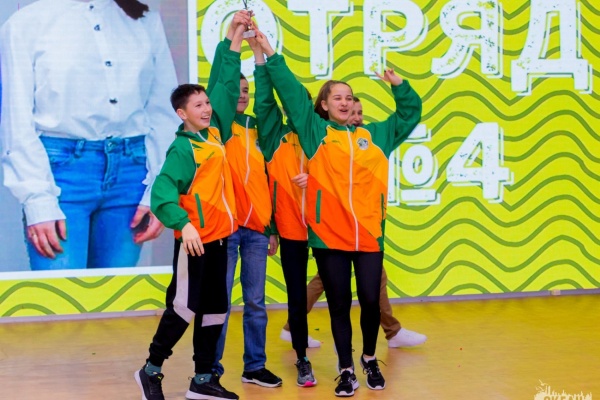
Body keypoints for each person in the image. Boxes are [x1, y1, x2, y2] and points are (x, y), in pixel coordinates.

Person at [256, 31, 422, 396]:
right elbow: (291, 94)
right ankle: (346, 369)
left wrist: (400, 86)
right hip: (329, 236)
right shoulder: (315, 133)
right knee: (339, 306)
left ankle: (369, 359)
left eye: (349, 97)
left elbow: (409, 115)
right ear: (325, 106)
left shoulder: (376, 136)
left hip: (368, 236)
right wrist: (267, 51)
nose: (345, 103)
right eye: (337, 98)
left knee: (370, 301)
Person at [0, 0, 180, 270]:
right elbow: (16, 119)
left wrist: (161, 187)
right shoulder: (26, 23)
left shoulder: (145, 20)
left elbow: (164, 111)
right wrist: (37, 199)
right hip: (59, 176)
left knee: (116, 293)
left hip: (132, 176)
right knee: (61, 294)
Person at [134, 11, 250, 400]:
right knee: (183, 307)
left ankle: (203, 380)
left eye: (206, 103)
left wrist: (235, 34)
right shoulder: (183, 149)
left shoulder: (214, 134)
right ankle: (151, 370)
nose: (206, 108)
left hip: (220, 238)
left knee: (215, 309)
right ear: (182, 113)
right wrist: (184, 225)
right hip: (195, 241)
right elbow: (162, 192)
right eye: (197, 105)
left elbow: (225, 83)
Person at [281, 97, 427, 349]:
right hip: (333, 227)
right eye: (352, 112)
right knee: (332, 283)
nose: (357, 117)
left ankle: (391, 331)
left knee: (371, 280)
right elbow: (324, 172)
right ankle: (387, 333)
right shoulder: (322, 137)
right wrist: (311, 178)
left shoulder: (365, 142)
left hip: (362, 228)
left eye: (360, 112)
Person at [208, 21, 282, 388]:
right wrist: (235, 36)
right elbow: (221, 83)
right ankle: (210, 370)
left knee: (256, 303)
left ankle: (254, 366)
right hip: (226, 229)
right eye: (237, 90)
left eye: (246, 90)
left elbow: (268, 179)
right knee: (219, 303)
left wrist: (272, 228)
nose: (242, 95)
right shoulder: (218, 127)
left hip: (256, 230)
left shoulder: (258, 127)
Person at [251, 39, 318, 387]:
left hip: (327, 229)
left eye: (298, 101)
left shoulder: (321, 135)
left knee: (344, 292)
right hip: (292, 230)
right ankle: (302, 357)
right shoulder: (275, 136)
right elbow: (265, 102)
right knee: (296, 296)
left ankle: (351, 361)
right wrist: (259, 58)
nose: (293, 106)